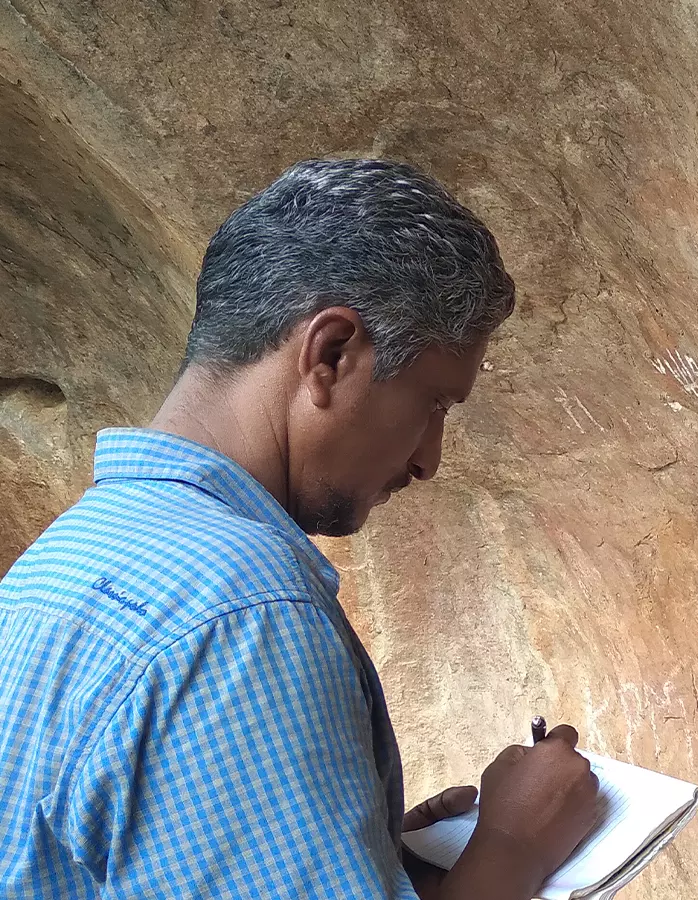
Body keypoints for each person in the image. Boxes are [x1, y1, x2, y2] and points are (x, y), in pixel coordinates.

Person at [0, 158, 600, 899]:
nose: (428, 461)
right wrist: (514, 847)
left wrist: (378, 867)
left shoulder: (59, 563)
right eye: (435, 403)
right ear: (331, 354)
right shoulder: (244, 618)